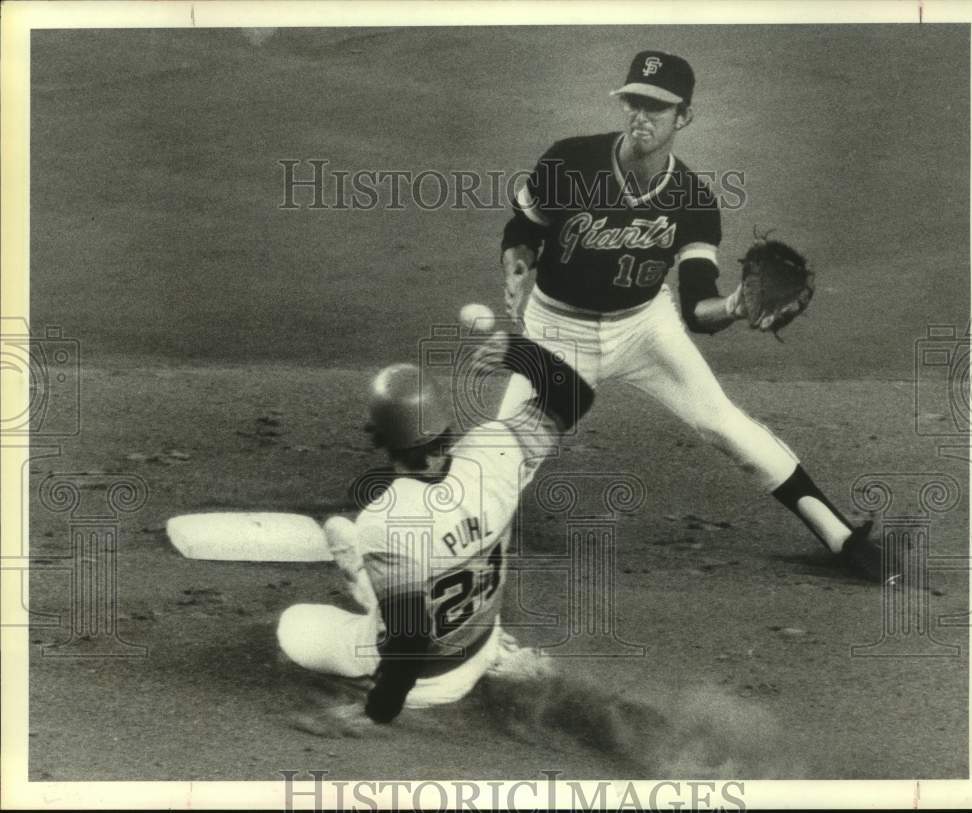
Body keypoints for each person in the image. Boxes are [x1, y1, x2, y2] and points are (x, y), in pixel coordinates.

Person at [499, 50, 891, 583]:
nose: (642, 115)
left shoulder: (694, 202)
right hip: (556, 328)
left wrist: (733, 306)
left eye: (657, 108)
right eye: (634, 101)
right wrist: (517, 269)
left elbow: (697, 308)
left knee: (724, 423)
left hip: (643, 327)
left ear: (684, 117)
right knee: (507, 452)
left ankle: (840, 535)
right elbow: (523, 227)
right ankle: (451, 539)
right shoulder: (569, 161)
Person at [276, 333, 595, 735]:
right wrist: (521, 352)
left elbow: (407, 645)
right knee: (405, 576)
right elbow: (574, 396)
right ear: (445, 420)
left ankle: (361, 575)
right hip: (484, 643)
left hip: (427, 683)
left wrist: (375, 708)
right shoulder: (496, 451)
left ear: (380, 439)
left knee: (294, 624)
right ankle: (372, 580)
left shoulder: (387, 518)